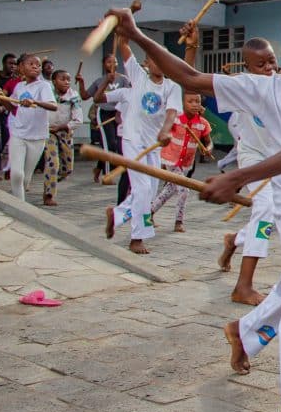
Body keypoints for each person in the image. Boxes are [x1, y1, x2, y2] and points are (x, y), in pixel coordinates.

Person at [106, 7, 281, 412]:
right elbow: (188, 77)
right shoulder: (266, 89)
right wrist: (137, 35)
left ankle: (243, 331)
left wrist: (235, 178)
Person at [99, 36, 181, 255]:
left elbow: (172, 112)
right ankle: (137, 238)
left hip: (153, 145)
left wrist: (165, 130)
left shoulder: (172, 87)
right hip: (132, 140)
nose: (160, 63)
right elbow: (124, 45)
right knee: (143, 189)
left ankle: (117, 215)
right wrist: (124, 25)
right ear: (147, 62)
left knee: (149, 192)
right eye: (155, 59)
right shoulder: (137, 75)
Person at [217, 38, 281, 305]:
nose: (268, 68)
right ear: (247, 67)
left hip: (280, 159)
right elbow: (190, 79)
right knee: (265, 208)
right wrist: (192, 49)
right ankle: (243, 286)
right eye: (260, 64)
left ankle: (236, 239)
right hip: (253, 157)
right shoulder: (241, 86)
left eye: (271, 61)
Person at [150, 92, 212, 232]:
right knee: (184, 189)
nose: (195, 104)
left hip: (186, 163)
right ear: (182, 104)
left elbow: (209, 142)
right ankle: (179, 221)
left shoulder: (202, 124)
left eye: (197, 101)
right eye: (190, 101)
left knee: (169, 189)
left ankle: (149, 213)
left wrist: (207, 149)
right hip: (170, 159)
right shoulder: (176, 119)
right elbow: (163, 132)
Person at [6, 54, 58, 201]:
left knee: (26, 177)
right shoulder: (19, 86)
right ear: (21, 67)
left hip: (37, 137)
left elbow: (53, 106)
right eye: (31, 64)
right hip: (18, 133)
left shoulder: (44, 86)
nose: (36, 66)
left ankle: (19, 199)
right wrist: (0, 98)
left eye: (38, 65)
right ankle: (20, 208)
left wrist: (35, 101)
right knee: (17, 174)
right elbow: (13, 108)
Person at [77, 52, 131, 188]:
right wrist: (81, 82)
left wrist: (121, 111)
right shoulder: (99, 81)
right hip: (104, 113)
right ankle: (108, 175)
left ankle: (99, 168)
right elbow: (85, 96)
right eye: (108, 62)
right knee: (109, 145)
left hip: (119, 114)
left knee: (117, 145)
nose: (112, 64)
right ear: (104, 64)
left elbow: (130, 96)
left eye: (114, 62)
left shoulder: (124, 79)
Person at [42, 70, 82, 206]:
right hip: (49, 131)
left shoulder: (73, 96)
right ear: (54, 81)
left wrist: (63, 127)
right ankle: (49, 194)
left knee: (67, 169)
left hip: (65, 131)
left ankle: (50, 181)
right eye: (62, 79)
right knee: (53, 163)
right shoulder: (47, 93)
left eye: (68, 79)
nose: (66, 82)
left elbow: (78, 119)